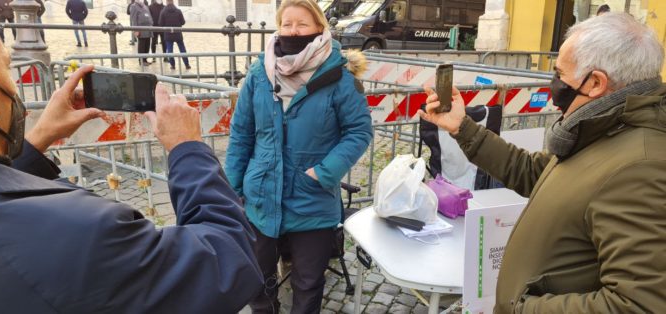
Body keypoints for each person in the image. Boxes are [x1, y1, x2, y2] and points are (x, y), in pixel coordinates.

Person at [0, 6, 263, 313]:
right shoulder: (80, 228)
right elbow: (228, 260)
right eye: (6, 67)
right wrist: (187, 147)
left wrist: (36, 139)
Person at [419, 13, 666, 313]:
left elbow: (638, 304)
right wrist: (462, 127)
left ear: (596, 83)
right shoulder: (602, 128)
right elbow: (534, 171)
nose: (555, 85)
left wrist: (522, 309)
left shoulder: (638, 167)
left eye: (561, 74)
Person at [225, 0, 373, 312]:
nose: (293, 30)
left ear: (320, 28)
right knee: (258, 280)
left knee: (308, 283)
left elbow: (359, 131)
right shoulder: (259, 73)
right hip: (260, 197)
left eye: (302, 24)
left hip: (312, 198)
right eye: (287, 24)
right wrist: (233, 189)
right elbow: (241, 134)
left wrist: (325, 172)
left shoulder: (339, 77)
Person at [158, 0, 190, 70]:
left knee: (170, 50)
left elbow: (160, 23)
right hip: (178, 33)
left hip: (168, 34)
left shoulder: (163, 12)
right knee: (182, 49)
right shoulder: (178, 11)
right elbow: (183, 22)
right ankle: (187, 64)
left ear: (166, 2)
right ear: (173, 2)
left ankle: (172, 65)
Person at [131, 0, 154, 66]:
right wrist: (135, 30)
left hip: (148, 28)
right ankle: (141, 61)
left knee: (147, 45)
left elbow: (149, 16)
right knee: (142, 45)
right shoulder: (134, 6)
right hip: (141, 29)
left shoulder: (145, 6)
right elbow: (134, 19)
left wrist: (151, 23)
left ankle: (145, 59)